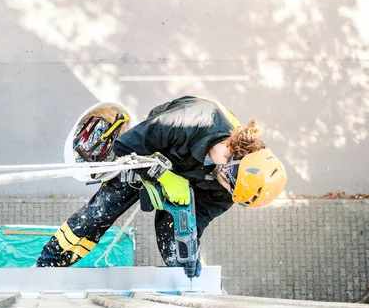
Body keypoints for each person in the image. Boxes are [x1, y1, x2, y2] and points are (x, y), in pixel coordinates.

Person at [35, 95, 287, 270]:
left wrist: (188, 254)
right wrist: (163, 176)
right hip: (148, 154)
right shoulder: (192, 119)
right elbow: (125, 146)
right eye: (229, 178)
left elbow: (196, 223)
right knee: (97, 215)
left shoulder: (229, 188)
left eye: (231, 190)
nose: (224, 185)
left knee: (177, 251)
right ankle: (47, 263)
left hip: (184, 181)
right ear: (235, 152)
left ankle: (187, 279)